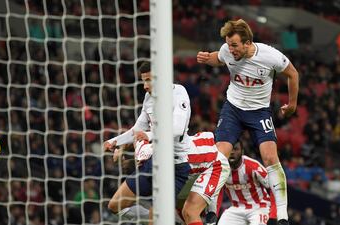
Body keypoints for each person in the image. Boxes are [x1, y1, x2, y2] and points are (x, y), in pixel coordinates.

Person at [194, 19, 299, 225]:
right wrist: (208, 58)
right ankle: (211, 211)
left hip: (259, 112)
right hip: (233, 108)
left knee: (270, 158)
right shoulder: (227, 50)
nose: (230, 49)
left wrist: (293, 104)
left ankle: (282, 217)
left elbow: (293, 74)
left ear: (247, 42)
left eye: (234, 45)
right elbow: (219, 57)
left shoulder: (270, 56)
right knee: (219, 156)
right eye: (228, 44)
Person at [103, 61, 192, 223]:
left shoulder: (178, 93)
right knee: (114, 206)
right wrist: (114, 141)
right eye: (143, 80)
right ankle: (173, 219)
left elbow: (177, 129)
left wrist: (150, 135)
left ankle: (163, 217)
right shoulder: (148, 98)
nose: (145, 86)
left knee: (156, 220)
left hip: (174, 167)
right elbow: (137, 130)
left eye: (149, 80)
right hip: (154, 163)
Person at [217, 141, 272, 225]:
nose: (232, 152)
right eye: (230, 149)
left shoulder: (252, 166)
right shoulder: (220, 168)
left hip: (259, 207)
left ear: (242, 151)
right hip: (236, 208)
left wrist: (276, 211)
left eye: (235, 149)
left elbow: (273, 186)